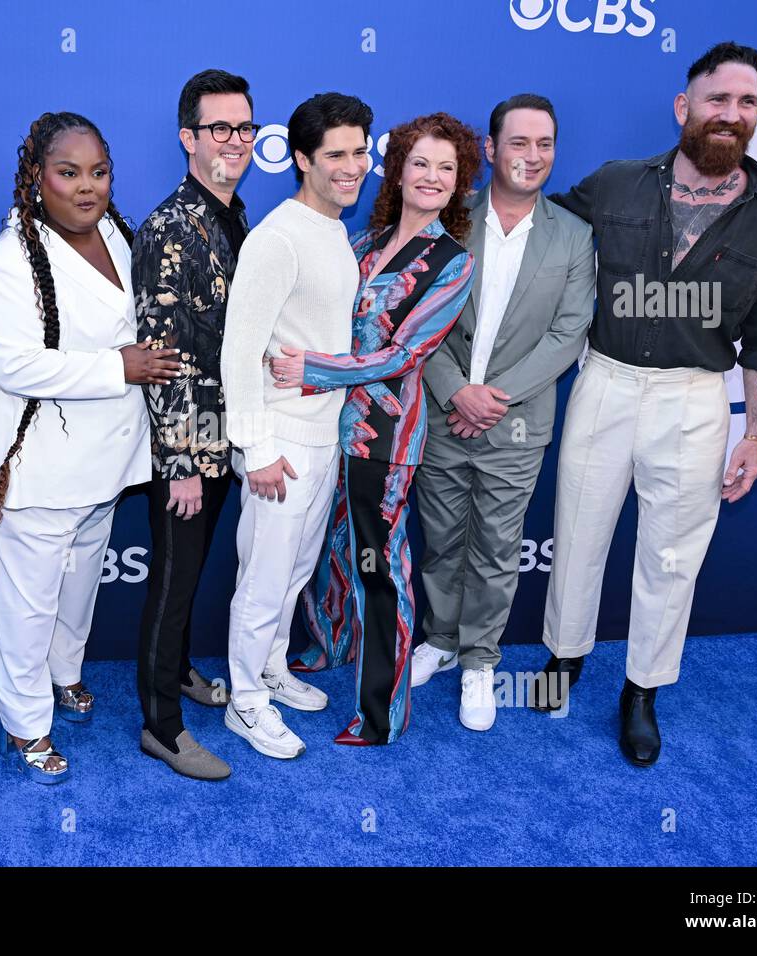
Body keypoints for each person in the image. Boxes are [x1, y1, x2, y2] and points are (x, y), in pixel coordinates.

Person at [538, 41, 757, 766]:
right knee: (579, 531)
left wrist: (755, 438)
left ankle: (643, 692)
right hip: (606, 381)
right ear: (685, 107)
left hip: (694, 400)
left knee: (672, 557)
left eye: (747, 103)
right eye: (718, 99)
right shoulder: (617, 184)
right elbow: (541, 243)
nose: (731, 115)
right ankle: (562, 660)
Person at [0, 112, 180, 784]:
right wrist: (120, 367)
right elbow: (13, 365)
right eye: (69, 173)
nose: (88, 188)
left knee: (80, 580)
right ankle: (25, 724)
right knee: (23, 601)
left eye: (99, 172)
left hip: (103, 460)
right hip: (30, 464)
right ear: (35, 179)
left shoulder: (118, 232)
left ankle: (64, 676)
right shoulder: (6, 266)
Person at [274, 113, 477, 745]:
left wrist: (310, 367)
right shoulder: (362, 240)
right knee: (327, 549)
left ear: (460, 181)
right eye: (421, 163)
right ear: (397, 168)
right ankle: (331, 642)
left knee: (379, 567)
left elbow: (405, 354)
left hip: (381, 436)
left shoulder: (452, 262)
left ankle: (382, 713)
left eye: (447, 167)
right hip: (320, 424)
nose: (433, 177)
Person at [408, 95, 594, 732]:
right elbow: (413, 320)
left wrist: (492, 397)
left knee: (495, 547)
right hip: (440, 410)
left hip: (514, 423)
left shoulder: (574, 235)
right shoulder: (448, 220)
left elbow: (568, 334)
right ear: (489, 150)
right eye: (519, 143)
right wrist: (455, 388)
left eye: (544, 144)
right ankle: (438, 637)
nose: (532, 156)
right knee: (440, 541)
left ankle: (480, 661)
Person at [220, 92, 373, 759]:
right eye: (335, 154)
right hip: (276, 441)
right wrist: (255, 448)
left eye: (361, 151)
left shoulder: (334, 229)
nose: (352, 166)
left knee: (294, 573)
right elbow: (238, 349)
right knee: (263, 580)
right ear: (302, 159)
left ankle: (274, 669)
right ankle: (245, 702)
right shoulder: (277, 237)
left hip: (320, 437)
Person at [134, 69, 256, 780]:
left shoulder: (230, 212)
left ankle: (178, 673)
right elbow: (161, 353)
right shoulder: (169, 228)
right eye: (220, 129)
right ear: (188, 137)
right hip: (187, 448)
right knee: (175, 584)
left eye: (244, 128)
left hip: (224, 437)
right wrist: (179, 461)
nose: (235, 141)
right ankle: (161, 726)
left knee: (190, 572)